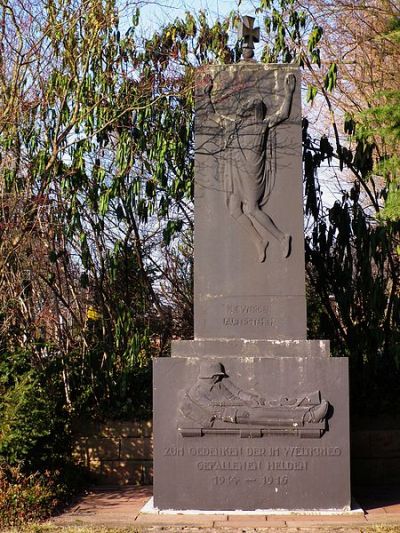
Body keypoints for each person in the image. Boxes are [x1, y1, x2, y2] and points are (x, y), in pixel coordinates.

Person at [203, 73, 296, 262]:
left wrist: (289, 93)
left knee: (252, 209)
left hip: (253, 174)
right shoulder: (234, 127)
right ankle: (259, 241)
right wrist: (207, 95)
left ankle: (281, 237)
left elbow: (283, 114)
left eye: (254, 106)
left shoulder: (261, 126)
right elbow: (212, 115)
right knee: (234, 209)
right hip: (237, 174)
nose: (249, 108)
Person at [179, 362, 329, 429]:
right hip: (235, 414)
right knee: (266, 413)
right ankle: (309, 417)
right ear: (209, 376)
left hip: (241, 405)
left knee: (268, 404)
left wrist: (252, 399)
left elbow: (237, 393)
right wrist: (238, 412)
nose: (218, 378)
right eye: (216, 375)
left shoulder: (219, 382)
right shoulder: (196, 392)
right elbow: (214, 411)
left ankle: (307, 403)